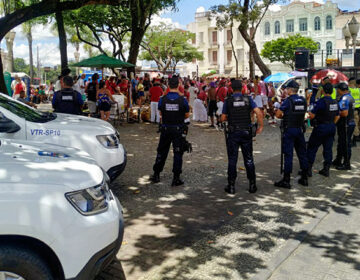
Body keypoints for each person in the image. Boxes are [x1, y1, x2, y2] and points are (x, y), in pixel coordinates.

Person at [221, 80, 264, 194]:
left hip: (233, 132)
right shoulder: (248, 99)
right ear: (242, 88)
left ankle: (231, 186)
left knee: (232, 159)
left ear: (231, 89)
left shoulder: (228, 101)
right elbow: (259, 113)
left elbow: (223, 118)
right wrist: (261, 126)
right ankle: (252, 185)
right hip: (246, 132)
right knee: (249, 159)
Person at [150, 75, 190, 186]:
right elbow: (186, 114)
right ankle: (176, 178)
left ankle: (156, 174)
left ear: (168, 85)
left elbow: (161, 113)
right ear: (178, 85)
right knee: (178, 152)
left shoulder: (162, 99)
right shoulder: (183, 100)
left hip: (166, 128)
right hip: (178, 129)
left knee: (162, 151)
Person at [274, 80, 308, 189]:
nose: (286, 90)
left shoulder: (288, 101)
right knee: (302, 154)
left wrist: (282, 114)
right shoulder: (302, 100)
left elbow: (278, 114)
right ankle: (304, 178)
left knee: (288, 155)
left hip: (289, 130)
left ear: (289, 90)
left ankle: (286, 180)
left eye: (286, 89)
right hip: (299, 129)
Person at [306, 83, 339, 177]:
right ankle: (326, 169)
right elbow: (337, 115)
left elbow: (312, 115)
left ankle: (308, 169)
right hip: (331, 127)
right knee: (328, 149)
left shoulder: (321, 101)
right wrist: (332, 123)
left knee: (312, 148)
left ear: (323, 91)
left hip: (320, 127)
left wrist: (310, 114)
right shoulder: (335, 102)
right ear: (332, 91)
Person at [332, 83, 356, 170]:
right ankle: (338, 160)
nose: (337, 91)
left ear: (340, 89)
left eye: (337, 89)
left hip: (346, 124)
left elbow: (344, 113)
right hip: (349, 123)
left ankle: (346, 164)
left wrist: (336, 113)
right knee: (342, 143)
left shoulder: (345, 98)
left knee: (346, 144)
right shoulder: (350, 97)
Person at [349, 78, 360, 146]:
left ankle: (353, 141)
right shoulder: (358, 90)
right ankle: (355, 139)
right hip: (358, 109)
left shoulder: (349, 90)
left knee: (354, 124)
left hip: (352, 110)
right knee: (357, 123)